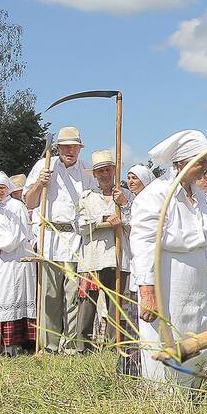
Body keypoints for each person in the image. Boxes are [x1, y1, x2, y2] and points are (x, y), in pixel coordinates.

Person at [131, 130, 207, 390]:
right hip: (168, 275)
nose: (206, 168)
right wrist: (147, 290)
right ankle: (167, 394)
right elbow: (143, 244)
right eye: (201, 162)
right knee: (170, 334)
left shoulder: (201, 197)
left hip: (198, 277)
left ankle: (200, 385)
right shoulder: (156, 195)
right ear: (181, 163)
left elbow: (204, 241)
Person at [25, 126, 97, 354]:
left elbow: (93, 201)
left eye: (74, 147)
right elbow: (29, 202)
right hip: (49, 236)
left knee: (73, 293)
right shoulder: (44, 165)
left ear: (79, 148)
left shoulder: (86, 169)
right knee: (49, 294)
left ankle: (72, 344)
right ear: (57, 148)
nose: (70, 151)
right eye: (66, 147)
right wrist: (40, 183)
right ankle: (50, 343)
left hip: (75, 238)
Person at [77, 150, 132, 351]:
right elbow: (80, 225)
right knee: (87, 301)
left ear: (114, 171)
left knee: (116, 302)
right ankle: (83, 345)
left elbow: (137, 223)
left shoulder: (127, 196)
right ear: (95, 175)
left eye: (108, 170)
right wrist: (103, 221)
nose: (105, 174)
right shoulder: (87, 197)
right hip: (93, 257)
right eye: (100, 171)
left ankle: (114, 344)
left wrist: (124, 206)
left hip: (119, 257)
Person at [0, 172, 35, 356]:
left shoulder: (16, 206)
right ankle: (3, 345)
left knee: (14, 296)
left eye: (2, 188)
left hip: (15, 261)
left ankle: (17, 344)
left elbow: (16, 236)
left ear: (8, 189)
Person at [120, 163, 155, 375]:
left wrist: (124, 206)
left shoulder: (149, 201)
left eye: (135, 178)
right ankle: (133, 363)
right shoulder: (135, 200)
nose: (131, 182)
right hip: (135, 260)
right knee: (134, 319)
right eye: (129, 178)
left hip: (146, 264)